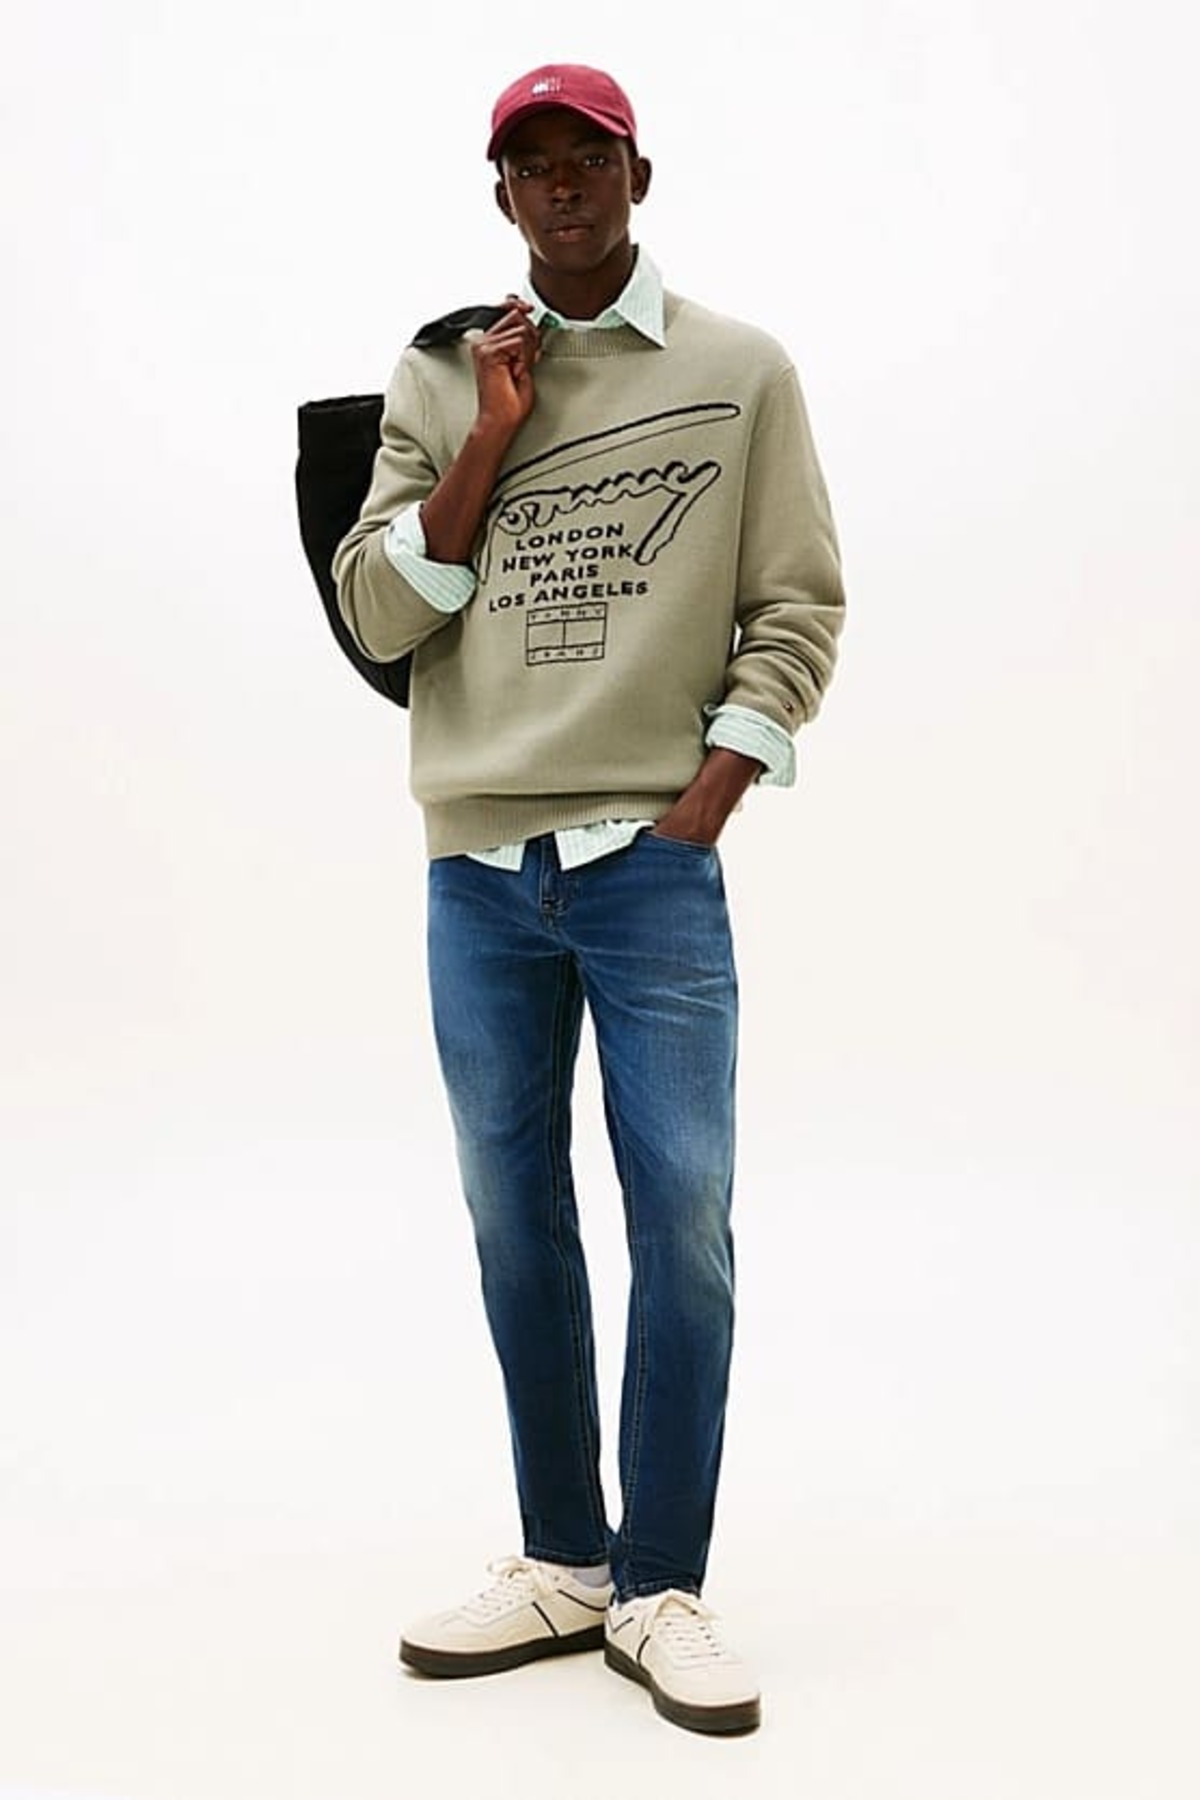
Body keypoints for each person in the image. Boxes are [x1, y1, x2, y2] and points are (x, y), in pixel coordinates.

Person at [332, 62, 845, 1737]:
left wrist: (710, 797)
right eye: (532, 164)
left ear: (640, 176)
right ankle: (564, 1559)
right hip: (479, 873)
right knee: (514, 1219)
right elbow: (381, 615)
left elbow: (798, 604)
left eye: (591, 159)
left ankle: (660, 1584)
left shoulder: (739, 371)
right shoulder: (440, 372)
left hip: (648, 866)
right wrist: (489, 429)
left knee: (682, 1217)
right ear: (501, 195)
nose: (563, 185)